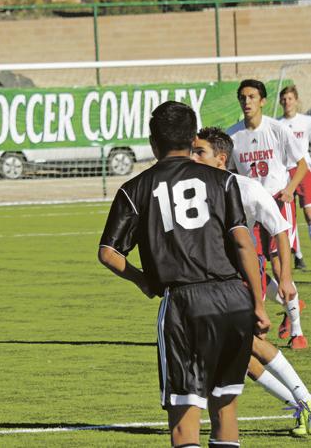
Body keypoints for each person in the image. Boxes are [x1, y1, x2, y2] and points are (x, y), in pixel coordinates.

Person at [99, 100, 269, 448]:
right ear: (193, 139)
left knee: (184, 416)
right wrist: (258, 304)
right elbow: (242, 243)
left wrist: (142, 279)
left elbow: (109, 253)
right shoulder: (223, 182)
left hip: (184, 304)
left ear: (152, 141)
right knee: (225, 407)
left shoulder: (134, 190)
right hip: (233, 299)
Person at [192, 127, 311, 437]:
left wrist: (284, 277)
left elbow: (281, 229)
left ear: (220, 159)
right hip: (212, 280)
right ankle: (301, 405)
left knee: (250, 343)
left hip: (242, 275)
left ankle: (307, 401)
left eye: (199, 152)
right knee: (236, 356)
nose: (192, 157)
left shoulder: (247, 189)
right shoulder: (192, 190)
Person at [227, 79, 308, 350]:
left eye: (251, 97)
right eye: (242, 97)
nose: (246, 102)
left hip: (275, 202)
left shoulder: (277, 129)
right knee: (253, 268)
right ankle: (286, 309)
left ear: (262, 101)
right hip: (250, 209)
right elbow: (229, 173)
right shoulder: (233, 135)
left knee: (279, 268)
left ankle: (297, 330)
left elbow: (301, 165)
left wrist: (290, 189)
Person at [277, 85, 311, 270]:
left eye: (290, 98)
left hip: (304, 170)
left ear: (296, 100)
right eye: (284, 99)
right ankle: (298, 256)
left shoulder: (306, 121)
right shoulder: (277, 123)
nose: (287, 102)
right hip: (285, 173)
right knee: (289, 218)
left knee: (308, 213)